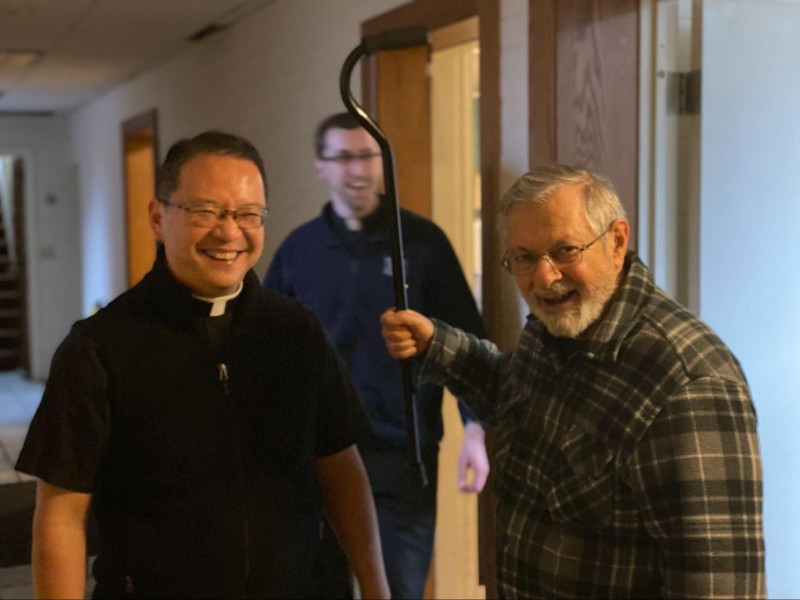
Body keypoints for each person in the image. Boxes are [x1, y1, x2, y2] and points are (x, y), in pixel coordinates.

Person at [15, 131, 390, 599]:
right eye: (206, 212)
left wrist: (377, 588)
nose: (229, 232)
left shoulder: (296, 333)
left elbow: (341, 469)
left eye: (248, 214)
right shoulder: (99, 347)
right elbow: (61, 512)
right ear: (158, 217)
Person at [381, 164, 766, 599]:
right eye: (524, 257)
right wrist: (437, 345)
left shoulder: (687, 385)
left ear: (617, 241)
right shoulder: (557, 329)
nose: (544, 278)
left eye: (565, 250)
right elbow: (513, 396)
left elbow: (718, 589)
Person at [264, 112, 490, 599]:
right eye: (343, 157)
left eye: (367, 156)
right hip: (317, 454)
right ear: (321, 166)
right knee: (316, 586)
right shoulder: (298, 250)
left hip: (401, 454)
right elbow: (265, 355)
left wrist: (475, 430)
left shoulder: (422, 242)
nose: (358, 170)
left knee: (396, 589)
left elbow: (467, 340)